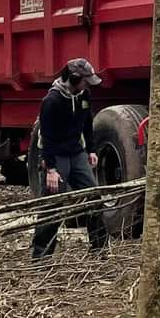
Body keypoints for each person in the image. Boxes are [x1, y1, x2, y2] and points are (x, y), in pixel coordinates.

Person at [31, 57, 109, 259]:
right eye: (85, 80)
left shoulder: (84, 95)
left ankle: (99, 249)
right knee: (53, 205)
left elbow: (87, 123)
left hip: (77, 153)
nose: (87, 85)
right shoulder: (52, 101)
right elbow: (46, 137)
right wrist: (51, 169)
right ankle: (41, 256)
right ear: (73, 79)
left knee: (93, 197)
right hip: (55, 156)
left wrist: (91, 150)